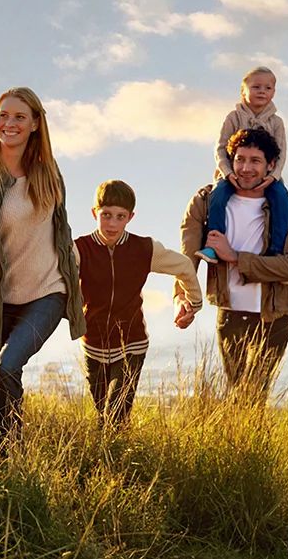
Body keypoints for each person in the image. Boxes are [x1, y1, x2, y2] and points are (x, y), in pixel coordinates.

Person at [0, 87, 85, 451]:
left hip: (47, 292)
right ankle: (12, 456)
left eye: (19, 117)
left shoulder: (48, 173)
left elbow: (62, 231)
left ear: (35, 124)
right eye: (3, 115)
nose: (9, 123)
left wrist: (77, 284)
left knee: (8, 366)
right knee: (4, 376)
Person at [180, 127, 288, 404]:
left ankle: (253, 445)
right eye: (240, 159)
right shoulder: (208, 201)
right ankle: (239, 446)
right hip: (230, 314)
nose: (246, 168)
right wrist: (183, 296)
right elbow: (187, 255)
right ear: (230, 161)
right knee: (237, 395)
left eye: (255, 161)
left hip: (275, 316)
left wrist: (235, 257)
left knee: (253, 396)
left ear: (271, 165)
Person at [74, 179, 202, 428]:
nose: (112, 223)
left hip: (132, 343)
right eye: (106, 215)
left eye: (120, 217)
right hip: (93, 343)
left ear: (130, 217)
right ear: (94, 213)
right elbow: (62, 282)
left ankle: (116, 460)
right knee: (103, 415)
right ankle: (107, 462)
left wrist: (193, 304)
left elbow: (185, 267)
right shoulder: (80, 249)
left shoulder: (143, 248)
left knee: (117, 414)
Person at [196, 66, 288, 264]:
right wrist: (227, 172)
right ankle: (213, 245)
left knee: (281, 198)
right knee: (218, 195)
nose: (262, 91)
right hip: (233, 174)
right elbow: (220, 148)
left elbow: (281, 153)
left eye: (268, 87)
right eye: (256, 87)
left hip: (267, 175)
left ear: (274, 92)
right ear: (243, 91)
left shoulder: (276, 122)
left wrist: (273, 176)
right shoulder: (234, 117)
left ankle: (276, 251)